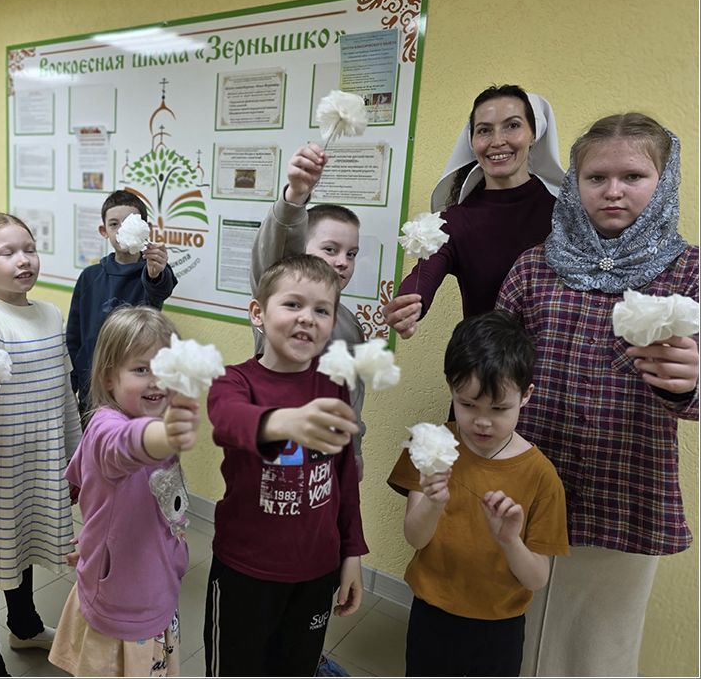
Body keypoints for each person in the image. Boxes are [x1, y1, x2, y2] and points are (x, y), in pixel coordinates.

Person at [497, 113, 698, 676]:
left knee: (601, 645)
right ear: (574, 183)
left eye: (633, 176)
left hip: (624, 490)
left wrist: (690, 381)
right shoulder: (534, 267)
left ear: (664, 180)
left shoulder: (688, 273)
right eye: (595, 177)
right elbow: (492, 362)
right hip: (529, 479)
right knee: (514, 626)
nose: (613, 191)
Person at [204, 255, 368, 677]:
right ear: (258, 313)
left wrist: (351, 552)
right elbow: (226, 420)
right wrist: (282, 422)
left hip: (316, 571)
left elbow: (345, 477)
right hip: (245, 570)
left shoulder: (334, 385)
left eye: (322, 310)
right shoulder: (234, 381)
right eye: (292, 304)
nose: (307, 318)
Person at [387, 311, 569, 676]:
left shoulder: (540, 476)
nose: (482, 421)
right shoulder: (429, 446)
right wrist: (433, 503)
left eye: (499, 409)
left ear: (526, 395)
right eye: (468, 404)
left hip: (498, 628)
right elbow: (415, 538)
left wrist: (510, 541)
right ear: (451, 387)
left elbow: (536, 579)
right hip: (431, 612)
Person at [0, 213, 82, 676]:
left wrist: (77, 458)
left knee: (21, 547)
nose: (23, 259)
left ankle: (24, 627)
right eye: (7, 253)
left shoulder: (50, 314)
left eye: (29, 249)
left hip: (43, 462)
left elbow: (64, 395)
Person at [49, 306, 200, 676]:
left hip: (158, 585)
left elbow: (94, 489)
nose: (157, 380)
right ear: (109, 378)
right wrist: (162, 435)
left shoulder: (157, 421)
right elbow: (121, 447)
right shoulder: (107, 426)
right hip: (122, 606)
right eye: (141, 369)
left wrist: (95, 539)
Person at [383, 85, 565, 340]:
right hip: (486, 360)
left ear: (534, 134)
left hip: (555, 359)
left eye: (512, 126)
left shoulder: (565, 214)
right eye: (484, 130)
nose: (497, 141)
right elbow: (426, 272)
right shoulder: (455, 221)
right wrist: (408, 304)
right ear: (471, 141)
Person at [252, 150, 367, 481]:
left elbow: (353, 396)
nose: (342, 261)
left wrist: (354, 449)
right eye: (330, 249)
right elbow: (274, 250)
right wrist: (295, 196)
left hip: (331, 461)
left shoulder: (349, 323)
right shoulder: (279, 304)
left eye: (351, 254)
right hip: (281, 455)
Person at [67, 189, 177, 417]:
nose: (121, 229)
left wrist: (156, 272)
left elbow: (160, 288)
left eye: (128, 223)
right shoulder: (90, 277)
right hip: (91, 387)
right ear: (104, 231)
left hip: (132, 392)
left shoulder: (151, 273)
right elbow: (74, 337)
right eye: (114, 224)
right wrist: (71, 387)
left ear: (145, 227)